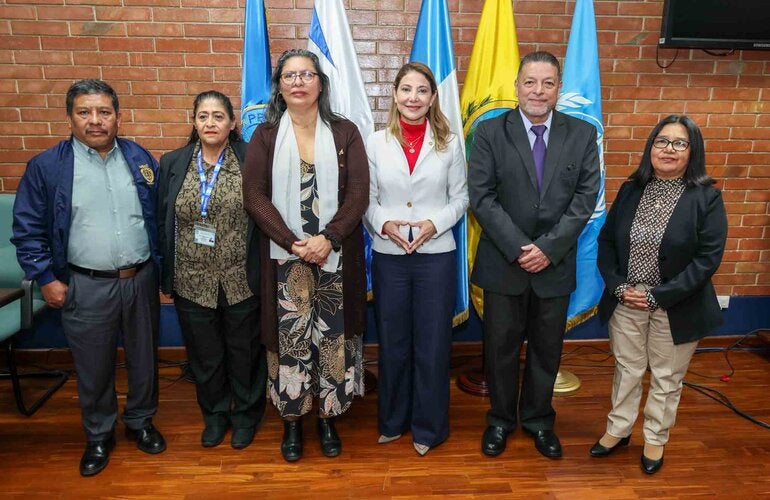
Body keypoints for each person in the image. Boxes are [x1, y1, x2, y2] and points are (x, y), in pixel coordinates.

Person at [11, 79, 165, 476]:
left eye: (104, 112)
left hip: (140, 278)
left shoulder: (138, 156)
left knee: (144, 358)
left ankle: (141, 422)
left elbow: (158, 217)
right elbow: (27, 229)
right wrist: (45, 277)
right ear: (70, 117)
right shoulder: (47, 167)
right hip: (84, 284)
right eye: (85, 112)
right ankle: (99, 434)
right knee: (93, 364)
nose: (95, 121)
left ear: (118, 116)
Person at [468, 51, 600, 459]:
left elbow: (585, 198)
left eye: (547, 83)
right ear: (517, 86)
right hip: (504, 262)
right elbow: (482, 196)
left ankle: (540, 420)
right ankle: (501, 421)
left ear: (558, 88)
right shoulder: (491, 132)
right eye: (530, 82)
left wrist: (547, 249)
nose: (538, 91)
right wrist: (520, 248)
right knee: (501, 349)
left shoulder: (581, 134)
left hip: (555, 264)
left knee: (547, 350)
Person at [242, 49, 369, 462]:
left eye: (307, 74)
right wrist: (293, 242)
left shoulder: (345, 132)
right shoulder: (264, 136)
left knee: (331, 339)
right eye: (290, 75)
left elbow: (359, 195)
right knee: (291, 340)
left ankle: (328, 419)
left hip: (335, 258)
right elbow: (255, 195)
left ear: (320, 83)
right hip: (284, 260)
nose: (298, 82)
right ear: (279, 85)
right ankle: (293, 423)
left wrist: (328, 237)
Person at [590, 115, 727, 474]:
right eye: (661, 141)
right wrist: (618, 285)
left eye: (679, 143)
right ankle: (618, 430)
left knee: (666, 377)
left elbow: (707, 260)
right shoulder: (631, 189)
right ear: (650, 147)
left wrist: (658, 296)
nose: (668, 149)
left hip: (677, 304)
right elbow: (605, 243)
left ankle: (655, 438)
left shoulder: (707, 197)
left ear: (692, 152)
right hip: (626, 299)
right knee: (627, 369)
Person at [364, 62, 468, 456]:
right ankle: (392, 422)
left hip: (435, 256)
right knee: (392, 342)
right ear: (394, 94)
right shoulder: (374, 142)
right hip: (389, 255)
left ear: (432, 97)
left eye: (421, 90)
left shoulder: (450, 142)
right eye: (406, 89)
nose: (413, 98)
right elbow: (367, 200)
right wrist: (385, 224)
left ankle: (428, 428)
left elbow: (461, 198)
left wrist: (433, 223)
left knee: (433, 344)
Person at [157, 91, 266, 450]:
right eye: (203, 116)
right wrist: (166, 272)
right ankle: (216, 415)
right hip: (192, 280)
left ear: (233, 123)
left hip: (240, 277)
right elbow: (162, 220)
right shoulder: (173, 162)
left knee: (244, 352)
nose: (210, 123)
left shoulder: (251, 158)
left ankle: (247, 415)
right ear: (193, 122)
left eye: (218, 116)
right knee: (205, 356)